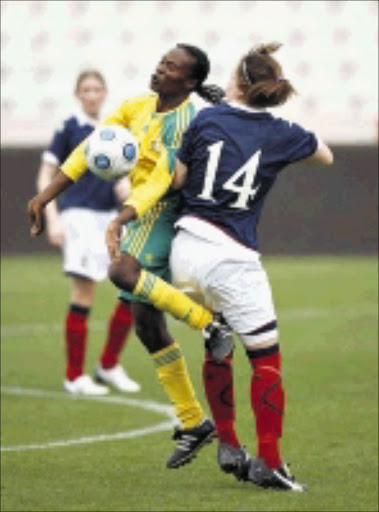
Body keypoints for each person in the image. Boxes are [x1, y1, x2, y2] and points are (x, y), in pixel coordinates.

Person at [28, 44, 229, 468]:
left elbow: (159, 180)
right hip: (139, 213)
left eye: (171, 66)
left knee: (121, 270)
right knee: (147, 326)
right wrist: (46, 196)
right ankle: (193, 422)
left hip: (167, 212)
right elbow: (88, 151)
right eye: (161, 61)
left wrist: (119, 218)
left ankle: (207, 324)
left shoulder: (189, 121)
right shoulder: (135, 106)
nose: (160, 68)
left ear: (189, 83)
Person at [169, 42, 334, 491]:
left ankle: (228, 442)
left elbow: (179, 180)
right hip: (231, 257)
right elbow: (326, 155)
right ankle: (270, 462)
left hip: (184, 252)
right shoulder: (282, 131)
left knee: (217, 343)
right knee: (266, 358)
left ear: (238, 83)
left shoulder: (207, 118)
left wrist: (223, 113)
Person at [35, 70, 140, 396]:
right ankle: (74, 375)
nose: (92, 94)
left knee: (131, 289)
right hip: (79, 217)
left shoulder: (116, 130)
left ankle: (108, 364)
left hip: (112, 218)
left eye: (97, 89)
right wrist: (51, 217)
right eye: (86, 89)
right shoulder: (69, 127)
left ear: (105, 93)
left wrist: (128, 183)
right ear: (78, 93)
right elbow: (47, 174)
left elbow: (130, 172)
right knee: (84, 293)